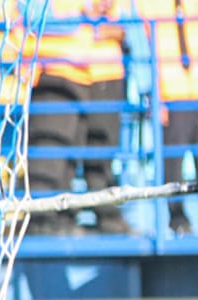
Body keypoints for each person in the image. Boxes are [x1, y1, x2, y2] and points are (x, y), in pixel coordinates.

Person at [25, 0, 134, 236]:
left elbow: (130, 20)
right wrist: (84, 11)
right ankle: (44, 220)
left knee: (99, 153)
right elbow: (29, 16)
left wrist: (119, 27)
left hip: (102, 69)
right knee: (52, 154)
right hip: (58, 66)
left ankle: (105, 215)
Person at [140, 0, 198, 236]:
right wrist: (154, 93)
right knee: (172, 164)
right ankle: (177, 219)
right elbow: (143, 43)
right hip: (171, 93)